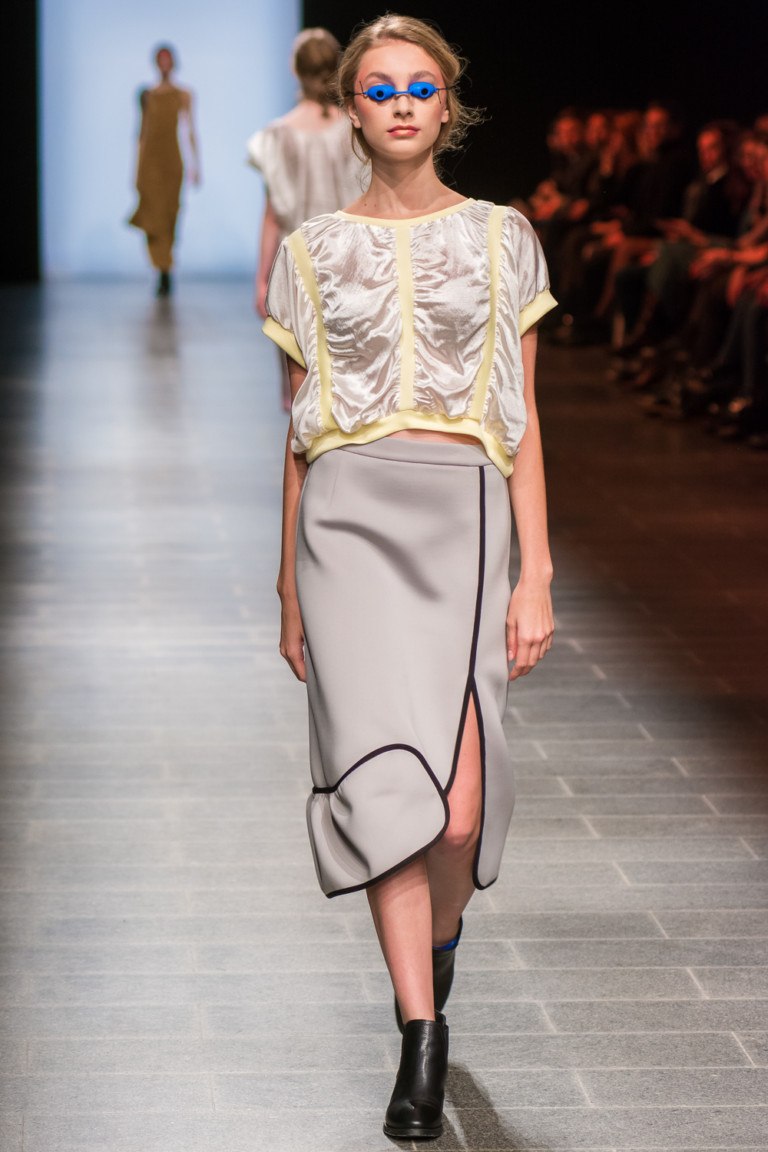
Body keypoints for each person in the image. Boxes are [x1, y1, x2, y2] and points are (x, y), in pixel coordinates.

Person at [264, 14, 556, 1141]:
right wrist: (288, 585)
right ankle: (419, 1035)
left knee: (458, 814)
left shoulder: (502, 236)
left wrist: (537, 572)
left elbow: (524, 419)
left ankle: (437, 951)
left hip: (464, 517)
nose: (399, 104)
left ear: (447, 104)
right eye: (378, 88)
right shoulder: (311, 250)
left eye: (418, 87)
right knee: (390, 789)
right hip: (345, 522)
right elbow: (297, 428)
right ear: (352, 108)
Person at [247, 28, 367, 407]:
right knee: (348, 385)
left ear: (295, 70)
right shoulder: (355, 130)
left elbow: (272, 214)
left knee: (298, 394)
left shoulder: (278, 135)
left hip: (295, 268)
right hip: (351, 263)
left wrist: (262, 279)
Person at [128, 44, 200, 297]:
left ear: (173, 62)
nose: (165, 64)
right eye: (161, 59)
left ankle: (166, 265)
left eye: (168, 59)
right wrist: (136, 169)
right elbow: (141, 133)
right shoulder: (147, 95)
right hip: (150, 163)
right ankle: (162, 269)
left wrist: (196, 165)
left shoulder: (183, 95)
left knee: (170, 214)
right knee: (153, 217)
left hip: (172, 161)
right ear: (156, 63)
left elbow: (190, 130)